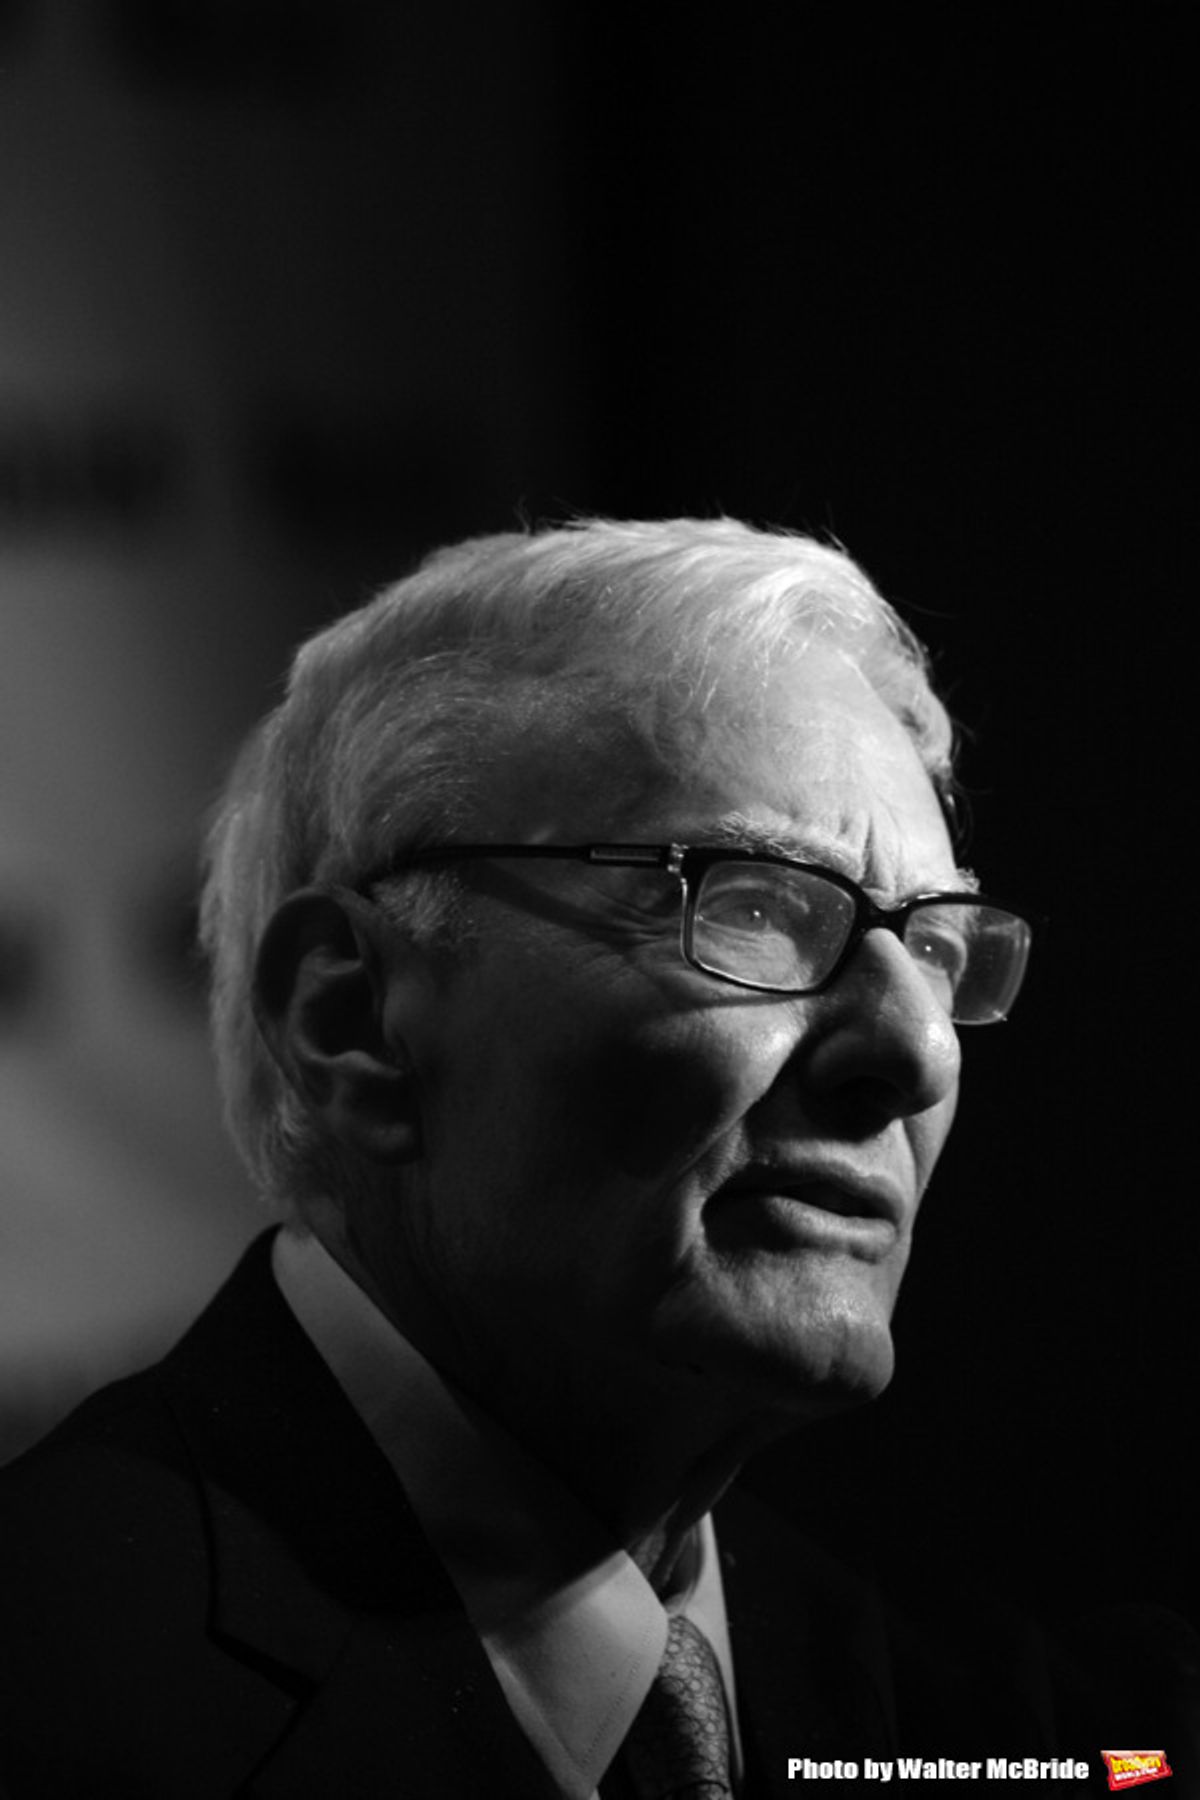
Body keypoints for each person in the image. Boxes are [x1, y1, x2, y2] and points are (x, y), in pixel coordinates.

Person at [0, 519, 1159, 1796]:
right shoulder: (53, 1695)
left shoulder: (1029, 1734)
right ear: (353, 1023)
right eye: (757, 905)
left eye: (936, 951)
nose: (916, 1049)